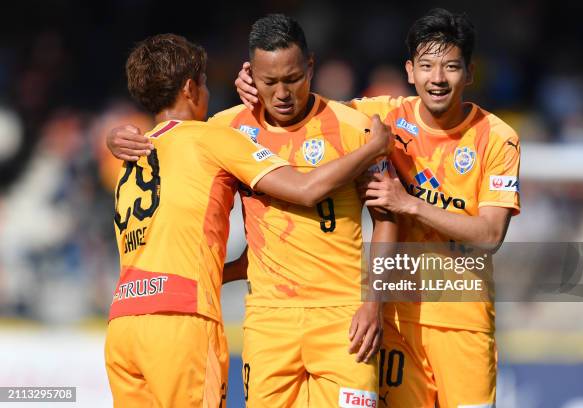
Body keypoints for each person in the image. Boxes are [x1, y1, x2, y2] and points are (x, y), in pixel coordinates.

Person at [235, 8, 520, 408]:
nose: (437, 79)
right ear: (409, 71)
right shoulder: (381, 115)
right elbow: (305, 106)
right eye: (426, 66)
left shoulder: (498, 138)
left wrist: (410, 205)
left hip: (461, 316)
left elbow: (490, 235)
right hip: (394, 319)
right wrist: (252, 86)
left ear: (469, 73)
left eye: (451, 67)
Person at [105, 33, 393, 408]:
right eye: (207, 83)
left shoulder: (133, 155)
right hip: (182, 321)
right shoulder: (215, 138)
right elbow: (305, 189)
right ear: (191, 88)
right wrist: (373, 148)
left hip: (124, 319)